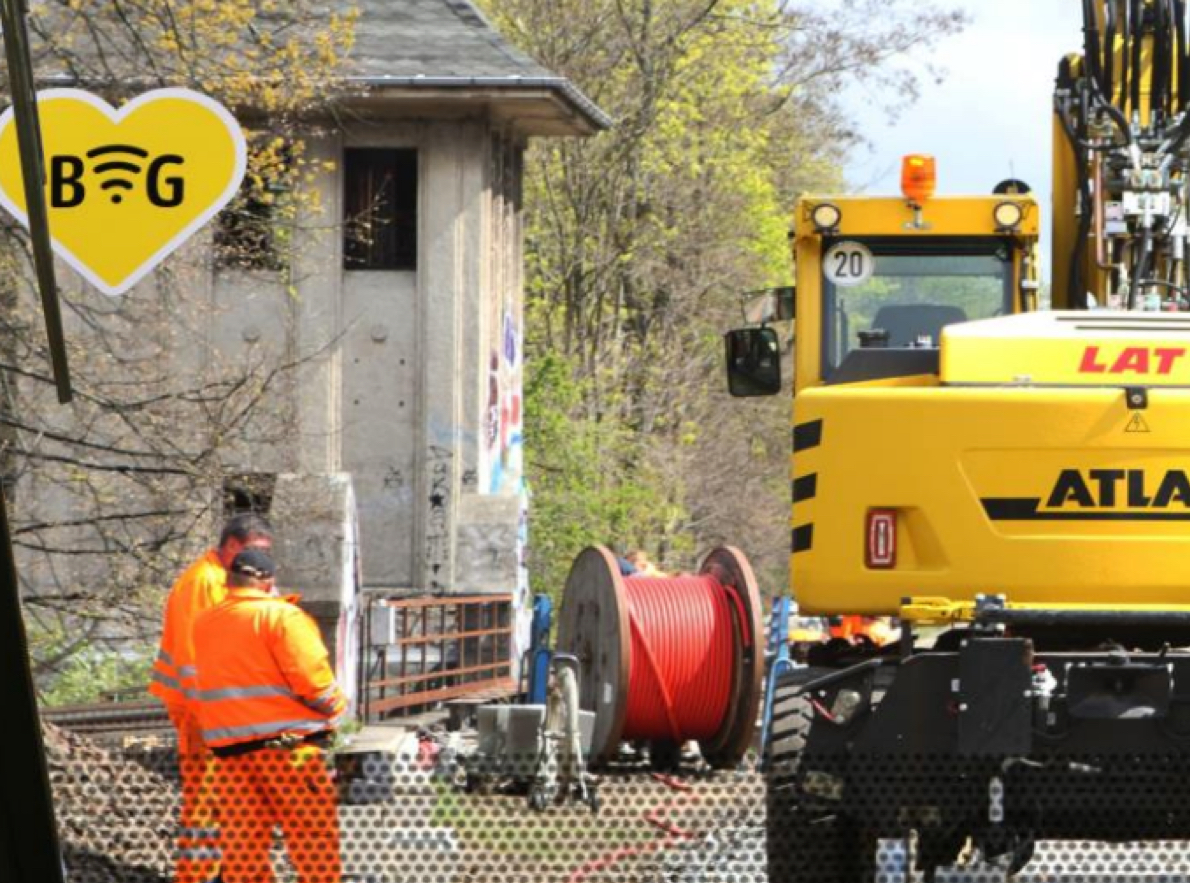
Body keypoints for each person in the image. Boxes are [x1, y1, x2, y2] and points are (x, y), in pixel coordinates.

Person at [192, 549, 347, 883]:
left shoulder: (204, 623)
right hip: (288, 752)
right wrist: (337, 707)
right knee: (312, 839)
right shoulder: (282, 617)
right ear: (267, 581)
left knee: (242, 847)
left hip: (231, 755)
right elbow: (314, 684)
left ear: (230, 581)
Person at [149, 513, 274, 883]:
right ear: (232, 545)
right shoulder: (203, 583)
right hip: (203, 711)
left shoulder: (225, 580)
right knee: (207, 798)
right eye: (254, 550)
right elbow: (192, 657)